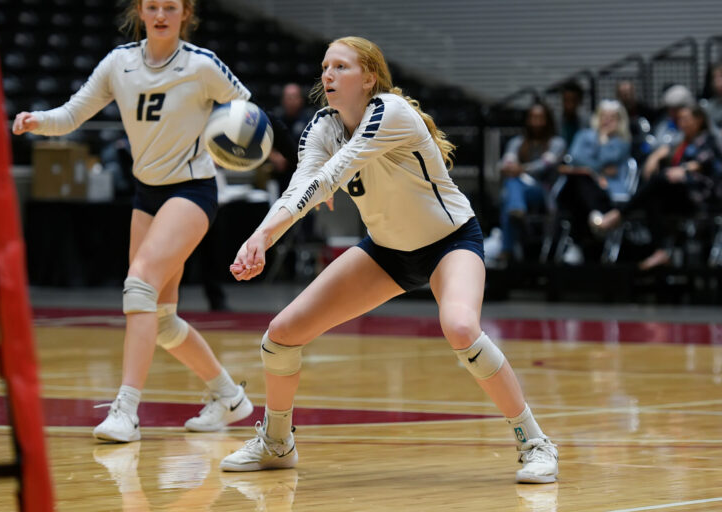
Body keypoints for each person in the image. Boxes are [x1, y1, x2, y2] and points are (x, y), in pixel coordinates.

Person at [218, 36, 558, 484]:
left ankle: (535, 443)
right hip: (387, 251)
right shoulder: (322, 127)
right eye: (325, 67)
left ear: (369, 77)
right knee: (280, 336)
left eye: (340, 67)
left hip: (450, 242)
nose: (327, 75)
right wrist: (259, 237)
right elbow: (299, 185)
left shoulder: (391, 112)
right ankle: (277, 443)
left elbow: (330, 177)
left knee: (460, 328)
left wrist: (273, 227)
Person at [12, 0, 254, 442]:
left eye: (171, 7)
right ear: (140, 11)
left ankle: (126, 410)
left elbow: (249, 114)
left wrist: (273, 154)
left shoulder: (202, 65)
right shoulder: (119, 63)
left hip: (192, 190)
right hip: (147, 194)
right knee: (160, 319)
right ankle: (229, 396)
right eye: (153, 6)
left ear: (186, 13)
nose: (162, 14)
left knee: (138, 283)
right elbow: (71, 114)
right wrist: (36, 121)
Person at [595, 106, 722, 270]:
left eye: (686, 119)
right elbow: (664, 151)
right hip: (680, 195)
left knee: (660, 179)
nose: (682, 123)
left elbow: (704, 163)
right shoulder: (681, 142)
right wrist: (654, 157)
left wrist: (683, 169)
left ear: (699, 120)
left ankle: (619, 214)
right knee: (652, 196)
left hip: (701, 195)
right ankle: (661, 251)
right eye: (680, 120)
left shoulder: (708, 139)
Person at [555, 100, 631, 260]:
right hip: (579, 188)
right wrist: (597, 169)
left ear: (619, 120)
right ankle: (595, 217)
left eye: (612, 117)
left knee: (579, 184)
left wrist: (602, 141)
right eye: (604, 116)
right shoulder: (584, 135)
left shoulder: (622, 141)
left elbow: (607, 157)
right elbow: (575, 157)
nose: (607, 121)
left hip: (607, 190)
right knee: (580, 179)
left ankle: (577, 245)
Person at [499, 101, 566, 261]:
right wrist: (509, 168)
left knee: (510, 188)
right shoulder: (517, 142)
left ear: (547, 120)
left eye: (540, 118)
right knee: (512, 185)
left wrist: (520, 169)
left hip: (542, 191)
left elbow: (544, 165)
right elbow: (507, 162)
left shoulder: (557, 143)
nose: (536, 122)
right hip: (519, 188)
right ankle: (516, 210)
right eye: (533, 117)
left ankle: (507, 249)